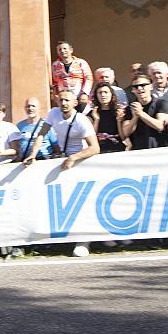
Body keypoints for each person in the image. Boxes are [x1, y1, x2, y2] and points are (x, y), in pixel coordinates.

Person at [24, 90, 100, 257]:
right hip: (62, 162)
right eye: (61, 100)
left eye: (67, 100)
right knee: (60, 203)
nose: (63, 103)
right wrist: (32, 154)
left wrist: (74, 157)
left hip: (79, 162)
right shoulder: (53, 114)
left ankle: (84, 241)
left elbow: (95, 147)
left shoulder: (81, 121)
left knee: (79, 202)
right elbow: (41, 134)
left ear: (74, 103)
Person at [122, 74, 168, 150]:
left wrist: (141, 113)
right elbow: (126, 132)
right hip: (138, 151)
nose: (139, 88)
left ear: (151, 86)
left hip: (159, 149)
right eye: (136, 86)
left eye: (143, 85)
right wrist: (135, 117)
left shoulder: (160, 104)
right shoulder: (130, 108)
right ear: (133, 90)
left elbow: (160, 126)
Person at [89, 83, 127, 153]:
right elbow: (91, 137)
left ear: (111, 94)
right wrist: (96, 120)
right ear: (96, 96)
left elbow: (123, 137)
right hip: (100, 150)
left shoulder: (118, 111)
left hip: (117, 148)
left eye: (105, 92)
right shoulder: (92, 113)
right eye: (100, 93)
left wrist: (119, 121)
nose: (103, 95)